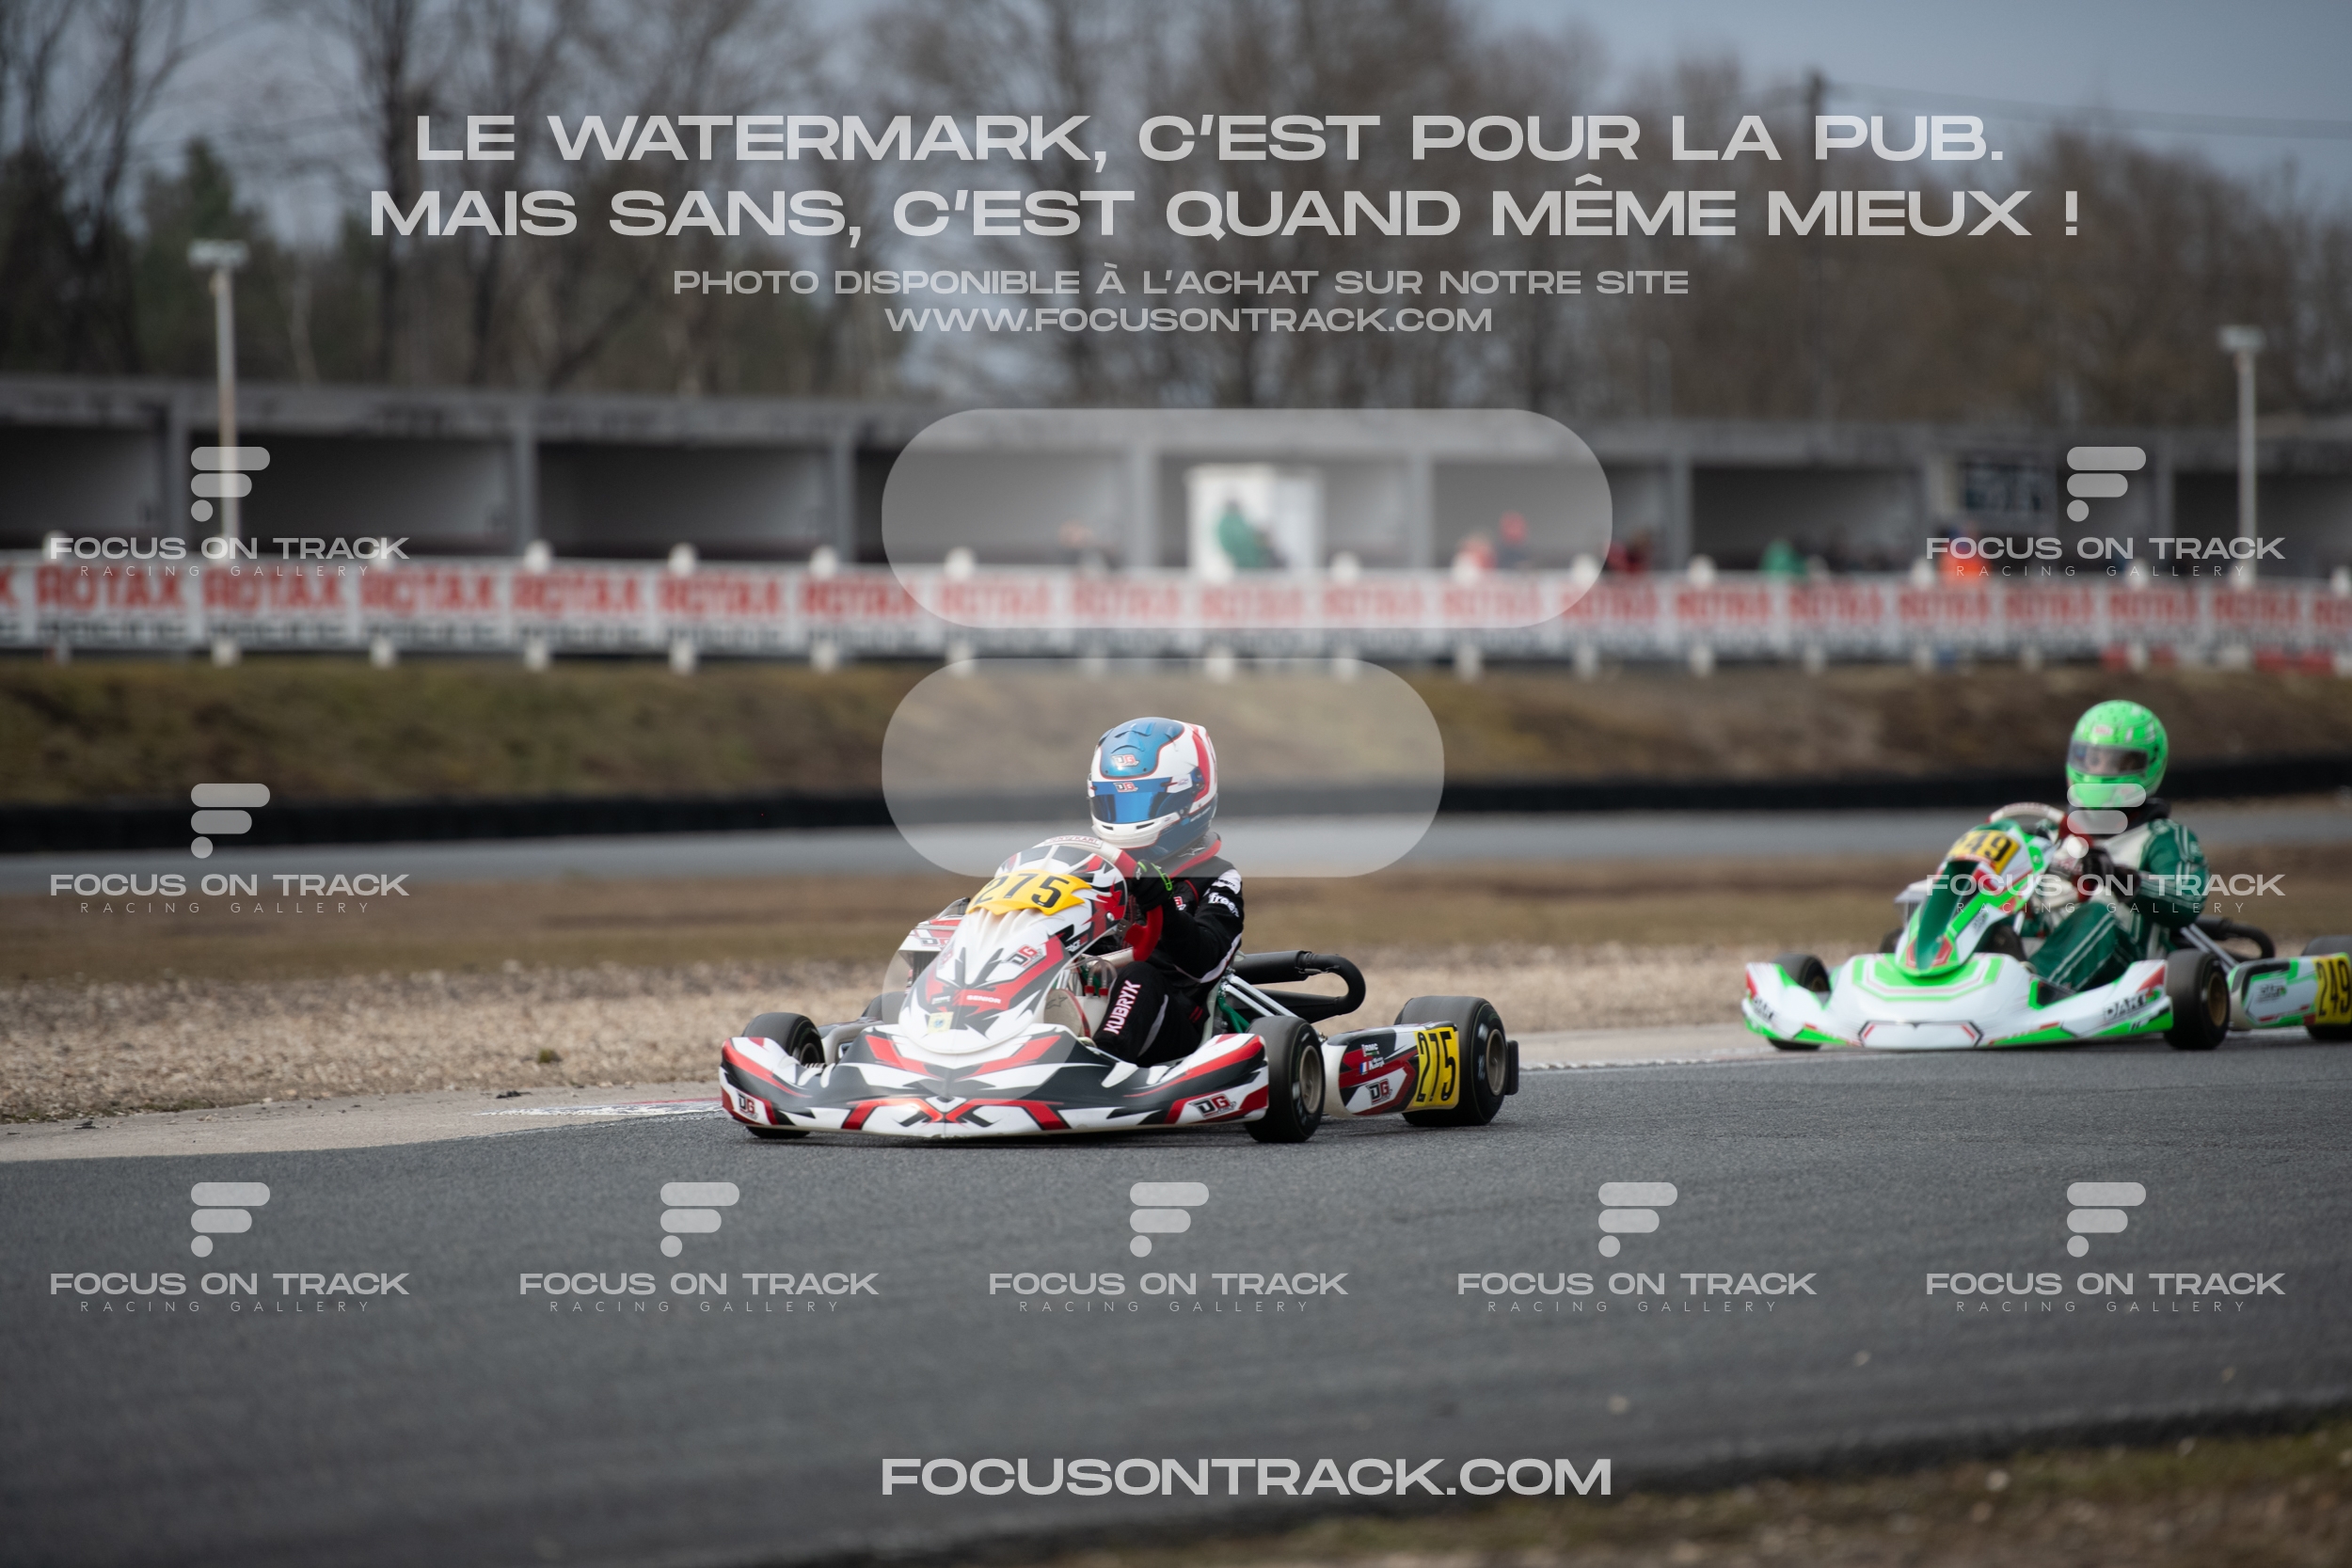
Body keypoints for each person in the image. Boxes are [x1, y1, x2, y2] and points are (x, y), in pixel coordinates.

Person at [1084, 717, 1245, 1065]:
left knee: (1139, 975)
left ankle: (1098, 1064)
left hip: (1175, 1019)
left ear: (1191, 797)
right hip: (1093, 998)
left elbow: (1206, 963)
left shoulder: (1215, 876)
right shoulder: (1091, 871)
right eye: (1116, 804)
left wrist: (1165, 911)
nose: (1128, 819)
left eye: (1143, 803)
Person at [2028, 700, 2209, 991]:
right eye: (2093, 760)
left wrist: (2120, 878)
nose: (2101, 770)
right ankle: (1957, 983)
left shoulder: (2162, 837)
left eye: (2118, 763)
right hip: (2048, 945)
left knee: (2097, 915)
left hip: (2127, 971)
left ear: (2149, 764)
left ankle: (2030, 994)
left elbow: (2188, 900)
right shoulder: (2049, 832)